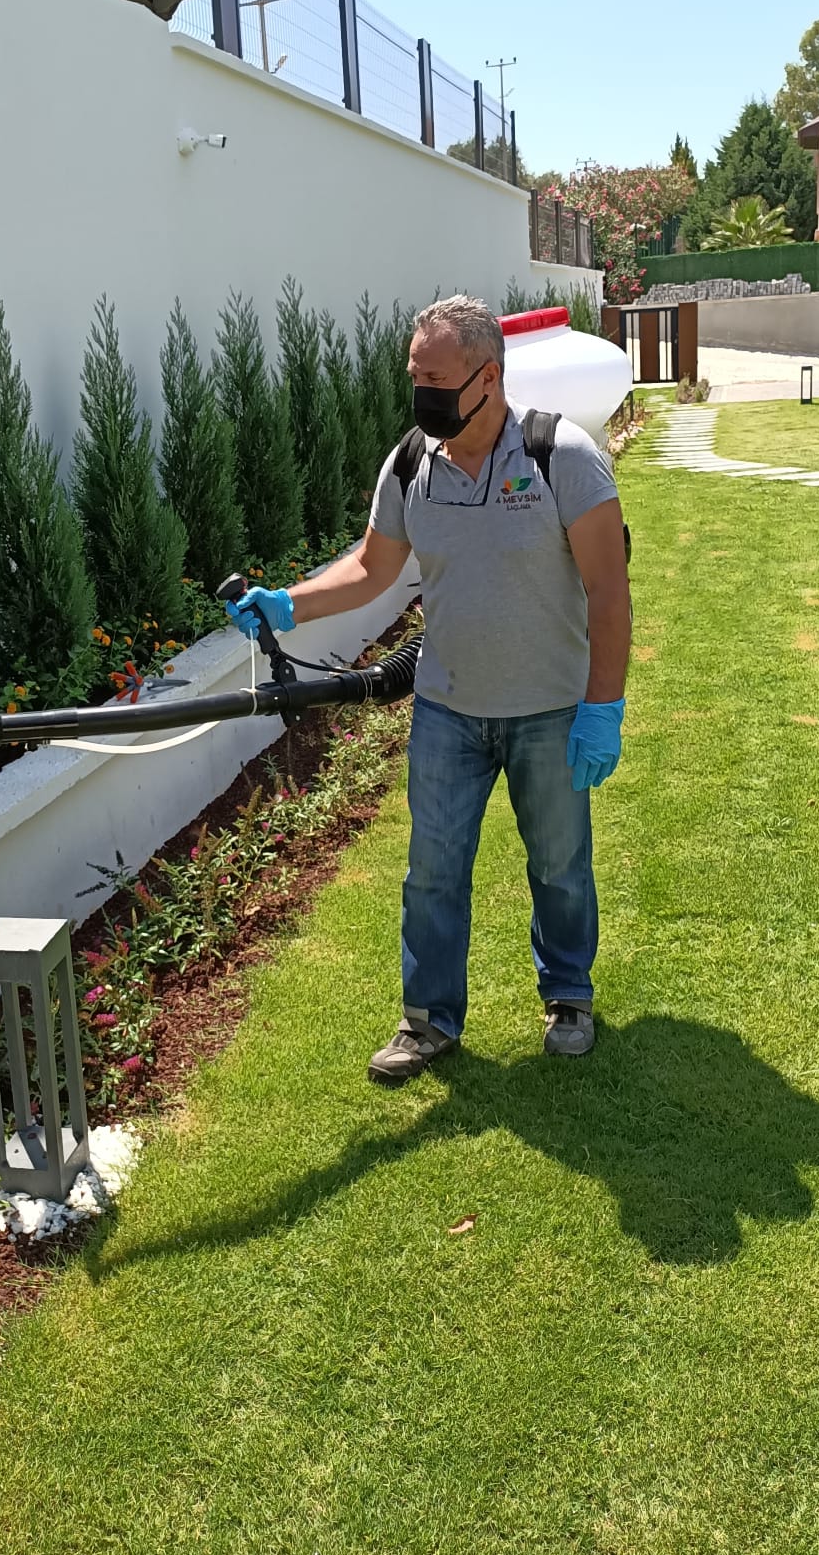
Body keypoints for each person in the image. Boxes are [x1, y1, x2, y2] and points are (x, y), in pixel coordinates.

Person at [226, 292, 631, 1083]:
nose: (422, 394)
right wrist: (289, 604)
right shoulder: (412, 462)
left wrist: (602, 707)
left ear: (489, 377)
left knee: (558, 865)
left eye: (436, 379)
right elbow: (370, 568)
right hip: (448, 709)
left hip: (549, 710)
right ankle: (428, 1021)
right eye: (416, 377)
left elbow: (609, 592)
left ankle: (568, 996)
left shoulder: (561, 456)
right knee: (433, 872)